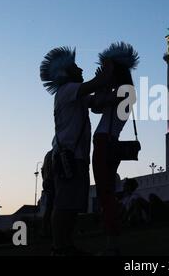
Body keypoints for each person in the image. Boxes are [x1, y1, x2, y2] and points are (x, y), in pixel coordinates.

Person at [40, 46, 113, 256]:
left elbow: (97, 102)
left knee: (71, 205)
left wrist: (108, 91)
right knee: (64, 205)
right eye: (75, 67)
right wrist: (107, 67)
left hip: (76, 156)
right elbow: (96, 86)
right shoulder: (68, 90)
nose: (81, 69)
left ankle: (66, 246)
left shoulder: (75, 94)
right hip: (69, 156)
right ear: (66, 73)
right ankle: (59, 247)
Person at [92, 42, 139, 255]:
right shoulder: (127, 92)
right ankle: (112, 239)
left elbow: (95, 104)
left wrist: (101, 82)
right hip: (110, 142)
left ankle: (112, 244)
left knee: (105, 192)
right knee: (107, 191)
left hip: (104, 142)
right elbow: (97, 105)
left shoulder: (123, 92)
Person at [40, 150, 54, 238]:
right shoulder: (55, 153)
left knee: (49, 207)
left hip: (47, 182)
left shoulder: (48, 154)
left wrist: (44, 179)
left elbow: (42, 170)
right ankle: (47, 230)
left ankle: (45, 229)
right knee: (52, 207)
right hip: (52, 182)